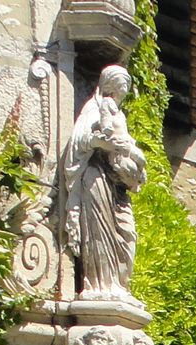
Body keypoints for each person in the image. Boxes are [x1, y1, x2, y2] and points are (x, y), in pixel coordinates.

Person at [61, 64, 146, 302]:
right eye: (119, 85)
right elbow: (80, 140)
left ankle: (118, 284)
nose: (123, 90)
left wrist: (133, 157)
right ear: (108, 85)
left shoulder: (119, 115)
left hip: (117, 184)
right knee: (99, 232)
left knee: (127, 234)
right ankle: (100, 285)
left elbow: (126, 144)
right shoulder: (94, 108)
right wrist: (102, 143)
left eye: (125, 86)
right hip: (95, 178)